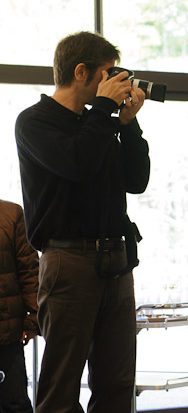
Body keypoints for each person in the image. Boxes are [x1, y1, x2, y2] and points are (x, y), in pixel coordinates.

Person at [14, 31, 150, 412]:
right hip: (68, 261)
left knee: (117, 382)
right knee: (61, 382)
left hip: (117, 262)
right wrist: (105, 114)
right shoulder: (34, 122)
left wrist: (128, 124)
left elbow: (136, 181)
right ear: (81, 72)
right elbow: (77, 164)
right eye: (108, 74)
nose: (116, 82)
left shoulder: (103, 123)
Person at [0, 199, 39, 413]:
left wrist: (34, 317)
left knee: (15, 405)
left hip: (7, 335)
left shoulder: (11, 214)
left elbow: (29, 270)